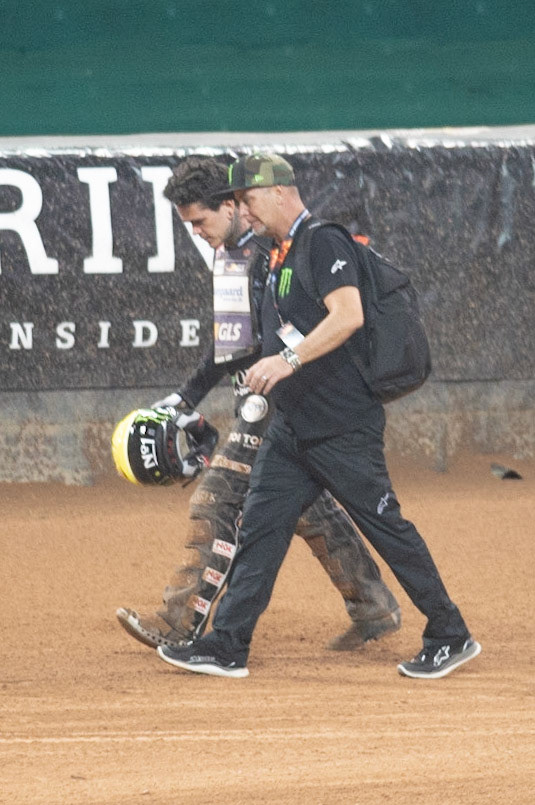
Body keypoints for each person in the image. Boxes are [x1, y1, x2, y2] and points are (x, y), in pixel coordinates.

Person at [157, 153, 481, 680]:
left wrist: (285, 361)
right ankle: (226, 645)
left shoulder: (323, 240)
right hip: (293, 428)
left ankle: (450, 633)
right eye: (235, 203)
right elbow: (264, 343)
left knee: (387, 528)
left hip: (342, 426)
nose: (243, 211)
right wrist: (201, 389)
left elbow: (348, 315)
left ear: (281, 192)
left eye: (247, 200)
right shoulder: (277, 255)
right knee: (259, 529)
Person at [116, 156, 401, 654]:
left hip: (285, 398)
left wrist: (197, 395)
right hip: (275, 401)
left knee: (217, 499)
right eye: (188, 225)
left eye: (200, 221)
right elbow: (233, 344)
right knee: (304, 504)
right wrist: (187, 396)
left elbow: (259, 345)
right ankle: (373, 606)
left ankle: (180, 621)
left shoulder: (265, 255)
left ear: (231, 206)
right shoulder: (232, 253)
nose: (197, 233)